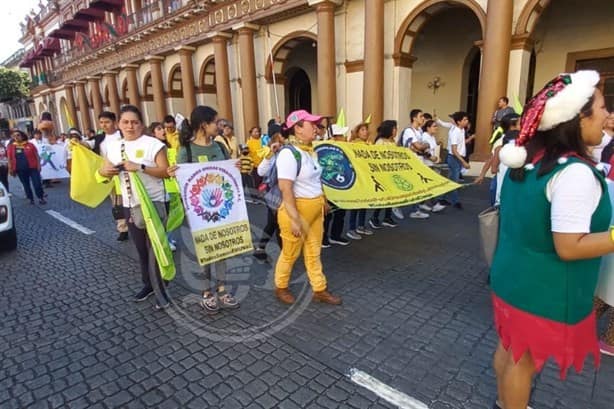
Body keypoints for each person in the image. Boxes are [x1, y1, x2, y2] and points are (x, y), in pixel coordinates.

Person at [490, 70, 612, 409]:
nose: (607, 115)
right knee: (522, 361)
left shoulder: (528, 159)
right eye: (602, 107)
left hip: (511, 277)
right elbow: (569, 246)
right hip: (542, 287)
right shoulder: (573, 172)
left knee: (509, 350)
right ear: (576, 118)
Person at [167, 106, 240, 314]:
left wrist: (237, 167)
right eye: (216, 122)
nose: (220, 126)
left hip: (222, 207)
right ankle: (207, 292)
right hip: (199, 211)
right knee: (205, 251)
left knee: (223, 248)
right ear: (203, 125)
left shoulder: (220, 147)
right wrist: (174, 174)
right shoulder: (186, 151)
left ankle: (223, 289)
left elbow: (228, 171)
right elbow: (184, 184)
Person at [98, 105, 171, 309]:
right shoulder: (113, 147)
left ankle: (162, 289)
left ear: (141, 124)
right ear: (119, 124)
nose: (130, 126)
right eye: (126, 122)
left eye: (134, 122)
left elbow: (165, 171)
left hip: (154, 202)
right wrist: (107, 172)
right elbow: (103, 172)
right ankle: (148, 284)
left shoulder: (153, 144)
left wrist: (140, 167)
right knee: (140, 249)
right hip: (130, 204)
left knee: (155, 249)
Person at [274, 109, 341, 306]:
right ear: (298, 129)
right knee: (290, 253)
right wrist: (294, 219)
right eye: (312, 124)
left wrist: (324, 200)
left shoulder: (311, 151)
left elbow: (316, 180)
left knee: (314, 251)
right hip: (296, 211)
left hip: (316, 209)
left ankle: (319, 288)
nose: (317, 128)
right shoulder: (289, 154)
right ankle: (281, 286)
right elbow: (285, 188)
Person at [96, 112, 129, 242]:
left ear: (114, 122)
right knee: (117, 203)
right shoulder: (99, 139)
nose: (104, 125)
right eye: (101, 122)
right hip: (111, 174)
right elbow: (88, 144)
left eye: (107, 122)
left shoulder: (122, 134)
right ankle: (123, 228)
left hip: (126, 171)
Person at [254, 132, 285, 260]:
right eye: (280, 139)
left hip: (283, 192)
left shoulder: (287, 153)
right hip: (272, 193)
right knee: (277, 223)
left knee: (273, 223)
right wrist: (270, 154)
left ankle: (261, 248)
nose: (282, 142)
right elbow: (261, 171)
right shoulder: (270, 154)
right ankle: (284, 253)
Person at [322, 124, 350, 247]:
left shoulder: (344, 148)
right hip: (329, 186)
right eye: (342, 135)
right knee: (327, 214)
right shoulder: (326, 148)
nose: (345, 137)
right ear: (335, 137)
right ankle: (323, 238)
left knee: (340, 212)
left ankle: (335, 235)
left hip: (341, 184)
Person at [368, 120, 399, 229]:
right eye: (394, 128)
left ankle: (387, 217)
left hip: (392, 173)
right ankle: (374, 217)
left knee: (391, 197)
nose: (396, 130)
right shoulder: (380, 142)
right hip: (383, 174)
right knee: (382, 198)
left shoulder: (393, 142)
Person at [346, 123, 374, 240]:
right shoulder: (353, 145)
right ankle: (351, 228)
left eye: (366, 130)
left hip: (366, 178)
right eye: (362, 130)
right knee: (356, 204)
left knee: (364, 203)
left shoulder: (369, 145)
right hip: (357, 178)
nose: (365, 132)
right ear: (357, 132)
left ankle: (361, 225)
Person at [7, 129, 46, 205]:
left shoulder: (30, 145)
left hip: (33, 168)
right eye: (14, 136)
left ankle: (40, 197)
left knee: (37, 183)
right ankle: (30, 198)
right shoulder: (11, 147)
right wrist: (10, 169)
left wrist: (39, 165)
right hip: (20, 169)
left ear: (22, 136)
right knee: (26, 185)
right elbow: (9, 158)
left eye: (18, 135)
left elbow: (37, 156)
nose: (16, 137)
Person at [418, 120, 446, 213]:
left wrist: (437, 158)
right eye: (434, 126)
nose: (436, 128)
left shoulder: (432, 137)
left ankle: (424, 203)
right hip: (427, 164)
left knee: (430, 185)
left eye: (436, 126)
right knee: (430, 185)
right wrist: (432, 158)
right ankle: (433, 203)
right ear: (428, 128)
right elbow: (424, 151)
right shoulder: (425, 136)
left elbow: (433, 149)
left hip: (432, 164)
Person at [443, 111, 470, 209]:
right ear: (458, 122)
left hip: (458, 158)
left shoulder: (461, 130)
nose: (467, 121)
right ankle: (456, 201)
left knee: (451, 180)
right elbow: (454, 150)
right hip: (454, 158)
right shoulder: (455, 132)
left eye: (467, 119)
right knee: (454, 181)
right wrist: (464, 162)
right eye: (464, 120)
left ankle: (442, 198)